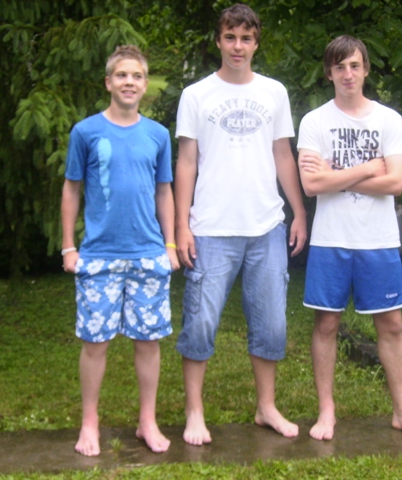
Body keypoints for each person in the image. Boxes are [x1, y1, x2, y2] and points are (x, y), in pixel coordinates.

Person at [297, 35, 402, 442]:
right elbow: (311, 185)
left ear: (365, 70)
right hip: (331, 239)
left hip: (378, 241)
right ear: (329, 73)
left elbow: (395, 183)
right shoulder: (314, 122)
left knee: (391, 325)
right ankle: (327, 412)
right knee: (326, 324)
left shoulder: (388, 120)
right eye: (340, 67)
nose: (348, 74)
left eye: (355, 65)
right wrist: (366, 168)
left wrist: (335, 175)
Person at [174, 3, 307, 446]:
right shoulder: (196, 95)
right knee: (200, 323)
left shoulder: (274, 92)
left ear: (256, 43)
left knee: (271, 325)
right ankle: (194, 412)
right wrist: (182, 226)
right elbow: (186, 161)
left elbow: (283, 155)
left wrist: (299, 212)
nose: (237, 46)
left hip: (266, 227)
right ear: (218, 41)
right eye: (230, 37)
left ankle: (266, 407)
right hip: (210, 228)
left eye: (246, 38)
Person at [61, 45, 179, 456]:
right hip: (99, 257)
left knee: (148, 342)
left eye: (137, 76)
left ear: (145, 85)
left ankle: (147, 421)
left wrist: (170, 245)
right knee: (96, 343)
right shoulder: (86, 132)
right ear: (109, 82)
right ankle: (89, 423)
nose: (130, 82)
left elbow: (164, 191)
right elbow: (71, 189)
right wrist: (68, 247)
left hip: (148, 254)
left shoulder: (158, 135)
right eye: (122, 75)